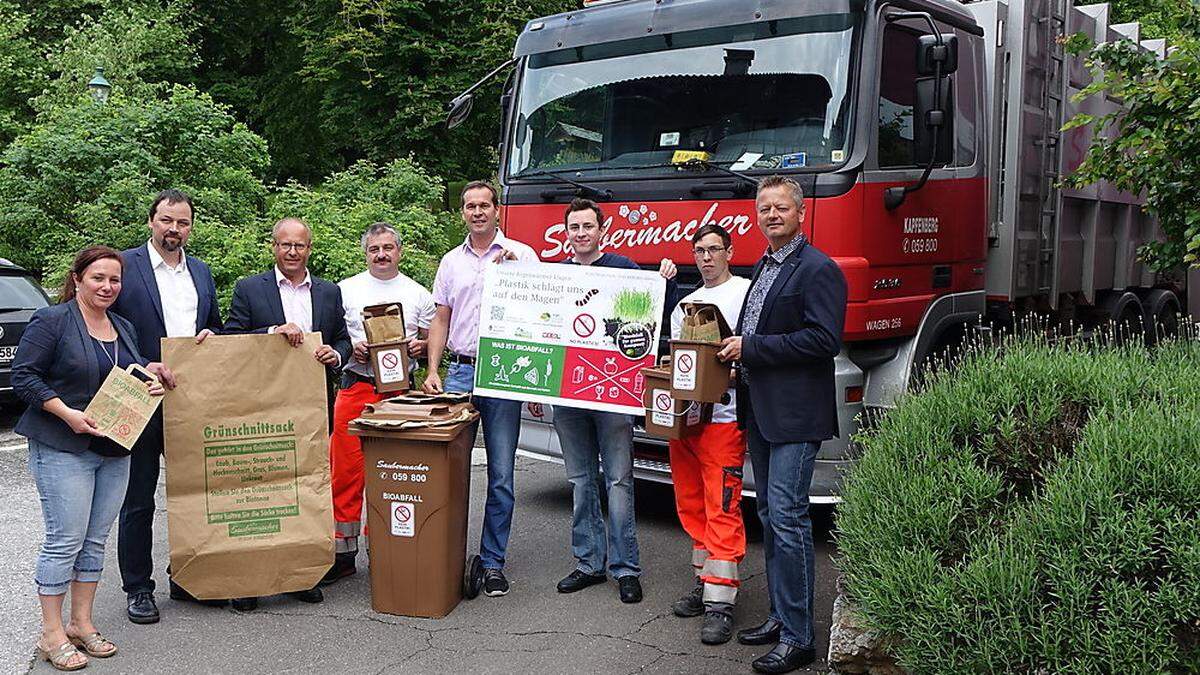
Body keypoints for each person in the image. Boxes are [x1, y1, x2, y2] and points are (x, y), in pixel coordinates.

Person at [11, 246, 175, 671]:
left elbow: (134, 372)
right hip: (63, 445)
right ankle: (51, 632)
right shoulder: (53, 320)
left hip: (114, 448)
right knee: (65, 539)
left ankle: (81, 623)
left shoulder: (121, 325)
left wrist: (152, 380)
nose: (107, 287)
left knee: (95, 539)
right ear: (79, 278)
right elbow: (23, 376)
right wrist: (66, 412)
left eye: (115, 280)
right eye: (98, 278)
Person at [716, 176, 847, 674]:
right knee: (771, 517)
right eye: (764, 207)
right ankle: (779, 615)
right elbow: (757, 333)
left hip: (795, 416)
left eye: (781, 207)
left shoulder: (817, 269)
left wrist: (752, 349)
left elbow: (822, 340)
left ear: (800, 214)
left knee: (789, 520)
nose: (772, 214)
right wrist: (736, 356)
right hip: (765, 411)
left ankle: (798, 639)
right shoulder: (764, 266)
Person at [550, 198, 676, 605]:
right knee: (581, 480)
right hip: (568, 394)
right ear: (566, 233)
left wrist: (665, 282)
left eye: (588, 226)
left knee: (619, 479)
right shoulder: (557, 276)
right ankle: (588, 563)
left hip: (613, 393)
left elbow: (651, 320)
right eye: (574, 227)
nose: (581, 233)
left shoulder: (624, 270)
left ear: (602, 230)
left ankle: (625, 568)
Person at [223, 217, 352, 611]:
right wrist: (269, 333)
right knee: (258, 495)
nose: (292, 252)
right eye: (285, 245)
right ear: (273, 247)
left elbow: (344, 338)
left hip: (313, 407)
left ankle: (300, 575)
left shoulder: (329, 293)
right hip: (263, 407)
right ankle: (250, 581)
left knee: (305, 492)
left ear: (309, 249)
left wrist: (338, 355)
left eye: (299, 246)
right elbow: (229, 338)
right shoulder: (249, 288)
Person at [110, 189, 224, 624]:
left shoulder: (201, 271)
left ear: (191, 227)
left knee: (195, 494)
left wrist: (212, 335)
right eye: (166, 220)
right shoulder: (124, 267)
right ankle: (138, 588)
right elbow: (103, 326)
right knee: (138, 498)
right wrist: (138, 365)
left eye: (182, 222)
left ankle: (189, 577)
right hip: (142, 396)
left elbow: (212, 323)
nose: (174, 229)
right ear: (151, 221)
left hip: (191, 399)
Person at [422, 180, 537, 597]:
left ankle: (492, 563)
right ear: (463, 213)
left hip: (506, 370)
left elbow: (542, 315)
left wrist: (517, 273)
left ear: (497, 210)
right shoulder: (451, 261)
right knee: (448, 471)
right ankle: (446, 556)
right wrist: (433, 369)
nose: (477, 212)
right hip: (460, 372)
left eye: (484, 205)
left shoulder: (521, 255)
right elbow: (441, 318)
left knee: (501, 474)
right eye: (470, 206)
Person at [322, 222, 435, 584]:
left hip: (401, 394)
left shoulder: (419, 294)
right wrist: (349, 347)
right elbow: (334, 337)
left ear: (400, 251)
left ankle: (387, 548)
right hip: (356, 386)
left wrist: (420, 347)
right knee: (345, 471)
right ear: (365, 252)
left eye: (388, 247)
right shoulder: (344, 290)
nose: (382, 254)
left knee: (394, 474)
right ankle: (342, 553)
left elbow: (433, 339)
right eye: (374, 249)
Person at [667, 222, 751, 644]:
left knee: (722, 505)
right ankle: (706, 583)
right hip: (688, 421)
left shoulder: (747, 293)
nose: (706, 257)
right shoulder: (686, 303)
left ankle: (722, 604)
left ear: (729, 252)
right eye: (699, 250)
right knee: (691, 502)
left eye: (714, 249)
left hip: (724, 419)